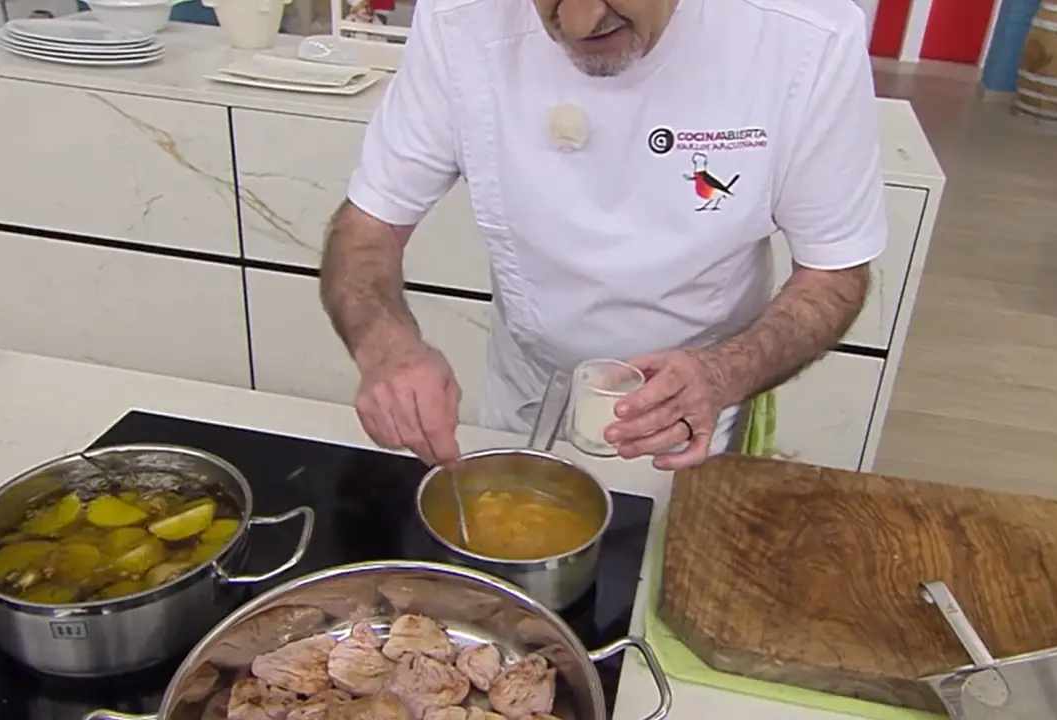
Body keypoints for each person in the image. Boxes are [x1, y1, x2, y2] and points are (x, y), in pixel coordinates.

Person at [320, 0, 887, 470]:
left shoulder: (804, 36)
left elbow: (834, 273)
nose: (578, 22)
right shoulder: (461, 18)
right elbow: (368, 226)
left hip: (697, 415)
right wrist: (387, 349)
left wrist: (723, 374)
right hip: (526, 396)